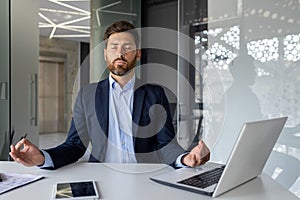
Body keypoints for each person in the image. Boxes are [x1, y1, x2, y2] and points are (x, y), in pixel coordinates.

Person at [10, 20, 210, 170]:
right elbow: (75, 145)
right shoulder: (87, 95)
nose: (120, 53)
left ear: (138, 54)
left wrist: (185, 159)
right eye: (114, 47)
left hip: (144, 175)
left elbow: (165, 143)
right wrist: (43, 158)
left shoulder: (155, 93)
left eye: (127, 48)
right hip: (101, 175)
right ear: (105, 53)